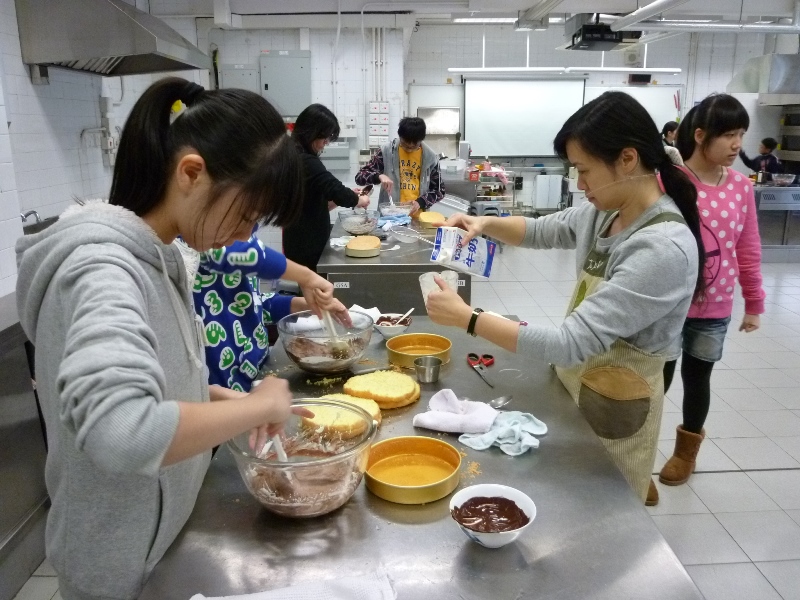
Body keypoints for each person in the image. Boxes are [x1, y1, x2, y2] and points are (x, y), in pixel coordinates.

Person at [14, 77, 332, 600]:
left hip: (162, 547)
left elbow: (154, 384)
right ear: (190, 173)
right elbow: (121, 430)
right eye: (246, 215)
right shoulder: (102, 270)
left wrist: (221, 399)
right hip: (120, 571)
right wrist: (258, 407)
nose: (243, 236)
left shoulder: (163, 257)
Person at [426, 91, 705, 507]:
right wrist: (484, 223)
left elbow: (570, 343)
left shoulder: (661, 248)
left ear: (628, 159)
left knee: (606, 508)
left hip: (617, 403)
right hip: (578, 381)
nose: (580, 183)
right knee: (570, 496)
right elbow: (544, 230)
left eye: (584, 170)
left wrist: (470, 319)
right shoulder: (607, 211)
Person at [660, 94, 766, 486]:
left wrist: (754, 302)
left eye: (741, 134)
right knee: (656, 379)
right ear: (701, 135)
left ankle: (685, 454)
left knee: (697, 379)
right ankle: (638, 450)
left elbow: (748, 248)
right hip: (666, 303)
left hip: (714, 307)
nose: (738, 145)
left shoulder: (740, 187)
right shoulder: (668, 181)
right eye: (729, 135)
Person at [189, 228, 348, 392]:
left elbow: (253, 302)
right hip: (224, 385)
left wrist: (303, 305)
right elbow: (232, 253)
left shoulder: (239, 236)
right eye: (246, 219)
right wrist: (306, 277)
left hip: (257, 371)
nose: (246, 233)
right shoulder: (189, 242)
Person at [283, 103, 370, 271]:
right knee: (314, 286)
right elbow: (335, 189)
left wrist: (342, 199)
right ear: (312, 132)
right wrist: (359, 200)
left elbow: (313, 202)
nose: (325, 143)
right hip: (306, 244)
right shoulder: (305, 160)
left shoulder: (295, 155)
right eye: (325, 138)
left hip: (301, 240)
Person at [355, 116, 445, 215]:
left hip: (417, 216)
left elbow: (439, 191)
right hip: (389, 216)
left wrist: (420, 202)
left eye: (414, 146)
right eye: (405, 145)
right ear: (400, 136)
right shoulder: (386, 151)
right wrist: (378, 176)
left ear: (421, 140)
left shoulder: (430, 157)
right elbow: (360, 177)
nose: (409, 149)